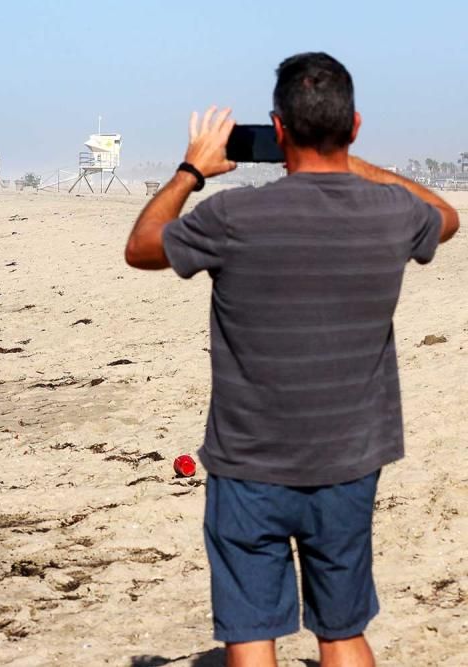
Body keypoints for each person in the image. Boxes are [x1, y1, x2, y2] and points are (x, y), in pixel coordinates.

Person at [124, 52, 459, 667]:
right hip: (351, 460)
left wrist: (189, 172)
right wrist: (353, 165)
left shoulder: (231, 216)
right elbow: (447, 218)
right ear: (354, 126)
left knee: (251, 636)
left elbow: (141, 247)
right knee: (342, 631)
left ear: (277, 131)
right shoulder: (392, 215)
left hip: (249, 461)